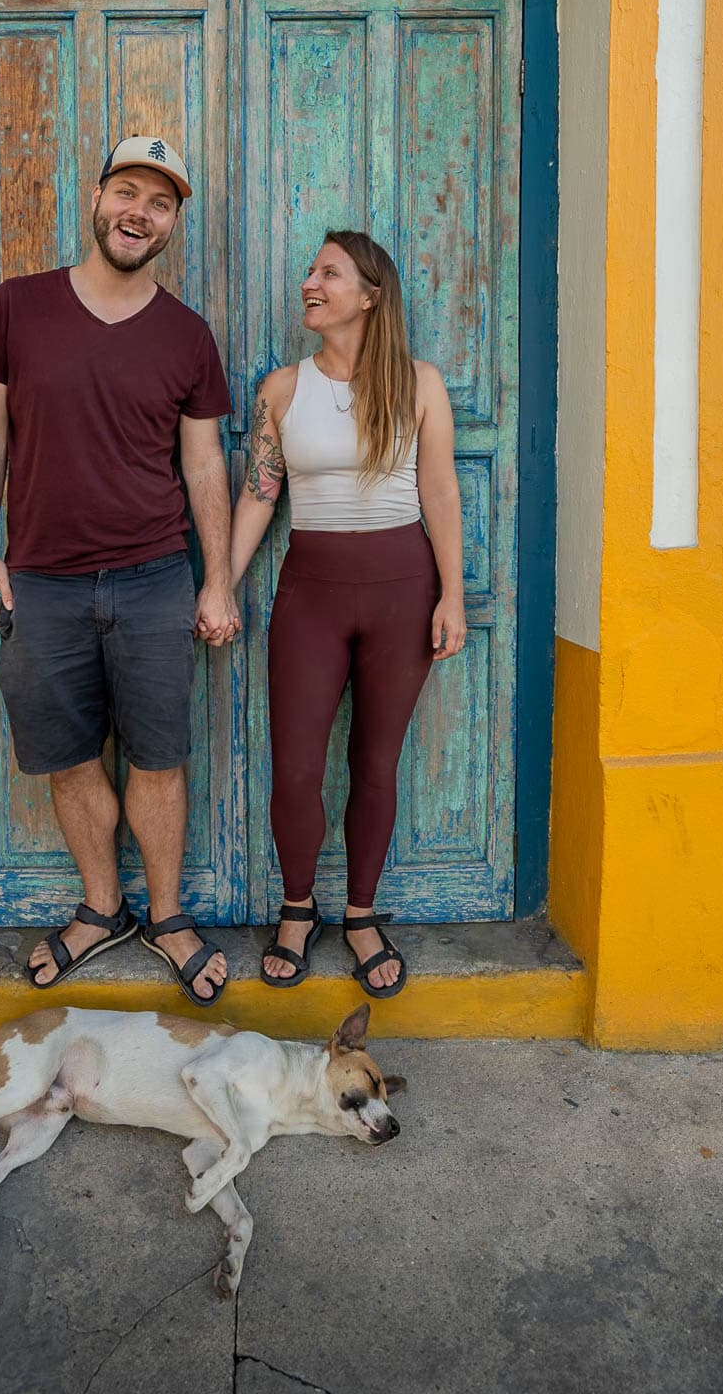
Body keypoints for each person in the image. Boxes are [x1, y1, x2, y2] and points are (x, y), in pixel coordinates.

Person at [0, 136, 240, 1007]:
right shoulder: (16, 309)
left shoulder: (187, 335)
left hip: (156, 577)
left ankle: (165, 917)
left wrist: (218, 578)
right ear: (96, 197)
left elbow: (203, 465)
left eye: (159, 204)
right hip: (40, 583)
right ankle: (100, 907)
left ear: (172, 225)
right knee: (69, 759)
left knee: (158, 758)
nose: (139, 213)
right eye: (128, 192)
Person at [229, 230, 466, 997]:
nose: (310, 282)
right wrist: (219, 585)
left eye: (328, 273)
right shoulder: (281, 390)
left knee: (376, 763)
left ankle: (361, 915)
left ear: (369, 295)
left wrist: (453, 596)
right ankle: (298, 907)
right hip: (311, 596)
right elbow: (260, 496)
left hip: (404, 592)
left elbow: (438, 493)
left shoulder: (419, 384)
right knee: (296, 768)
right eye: (310, 270)